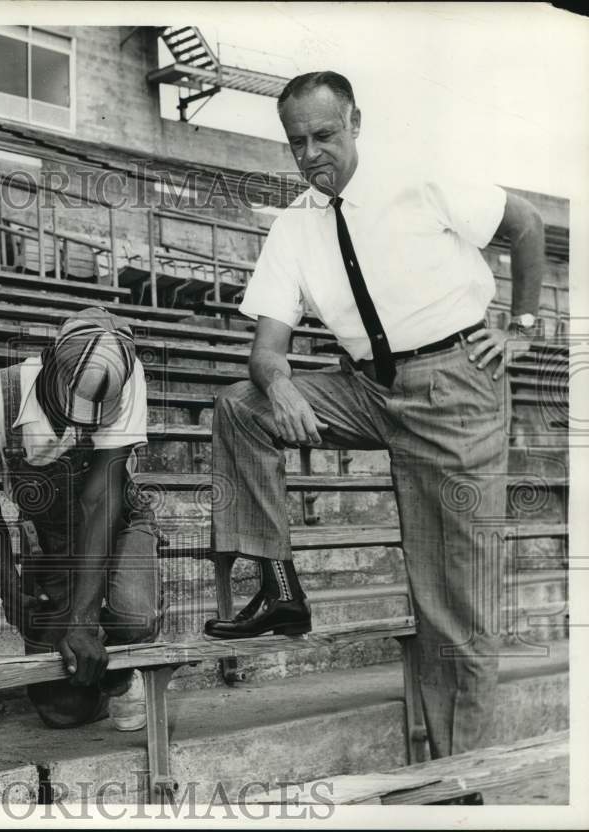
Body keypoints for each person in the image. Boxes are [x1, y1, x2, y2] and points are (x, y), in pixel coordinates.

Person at [203, 72, 546, 759]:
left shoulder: (418, 180)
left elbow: (526, 224)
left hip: (455, 386)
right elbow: (265, 350)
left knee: (454, 604)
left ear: (355, 123)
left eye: (324, 136)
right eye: (296, 142)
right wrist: (281, 384)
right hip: (367, 388)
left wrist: (524, 324)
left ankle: (462, 776)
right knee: (241, 405)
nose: (310, 154)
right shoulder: (296, 224)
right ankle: (279, 586)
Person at [0, 307, 162, 731]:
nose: (75, 423)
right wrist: (10, 590)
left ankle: (121, 646)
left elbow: (100, 498)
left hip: (116, 521)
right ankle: (111, 668)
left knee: (134, 616)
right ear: (49, 360)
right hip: (49, 539)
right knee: (61, 711)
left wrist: (82, 621)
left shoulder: (124, 370)